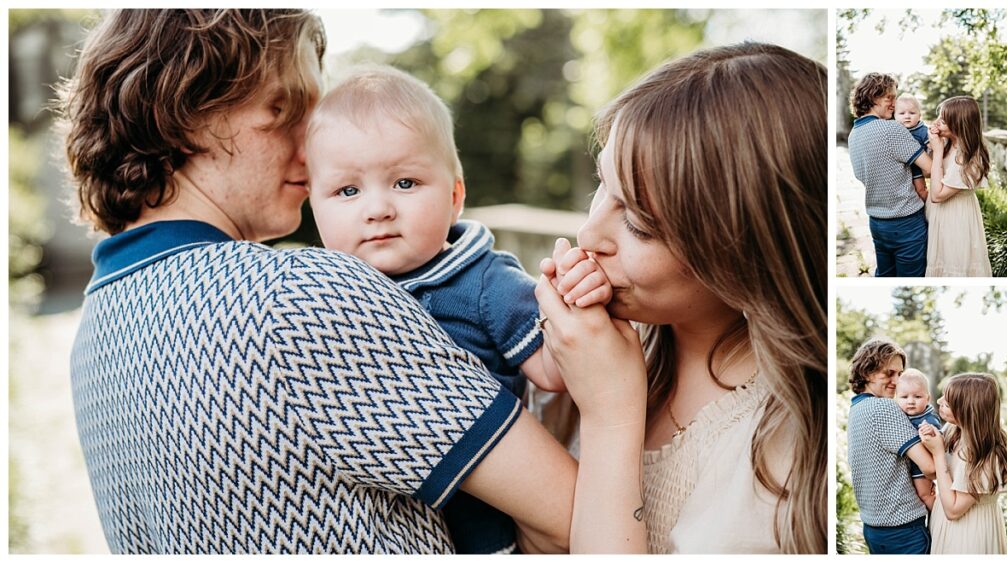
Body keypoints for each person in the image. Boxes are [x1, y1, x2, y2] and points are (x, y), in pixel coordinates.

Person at [59, 9, 595, 554]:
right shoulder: (297, 296)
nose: (311, 148)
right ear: (184, 111)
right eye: (284, 108)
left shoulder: (94, 332)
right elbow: (578, 522)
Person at [532, 42, 828, 553]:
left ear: (747, 251)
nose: (589, 235)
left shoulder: (780, 462)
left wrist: (610, 416)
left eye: (639, 225)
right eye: (602, 188)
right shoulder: (599, 340)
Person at [304, 64, 609, 554]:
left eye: (405, 183)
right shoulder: (314, 295)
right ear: (314, 208)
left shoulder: (483, 280)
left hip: (485, 528)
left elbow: (552, 372)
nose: (378, 208)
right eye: (348, 191)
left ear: (454, 196)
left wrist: (573, 298)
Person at [845, 337, 936, 554]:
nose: (896, 381)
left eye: (900, 374)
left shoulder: (856, 410)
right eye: (889, 373)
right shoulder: (885, 409)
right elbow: (930, 467)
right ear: (867, 372)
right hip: (903, 530)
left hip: (873, 529)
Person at [847, 73, 934, 277]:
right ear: (873, 96)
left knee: (885, 275)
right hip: (906, 222)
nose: (894, 104)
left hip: (877, 222)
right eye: (890, 98)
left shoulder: (854, 135)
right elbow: (929, 169)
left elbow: (862, 175)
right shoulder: (891, 130)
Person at [919, 373, 1007, 554]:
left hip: (969, 532)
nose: (938, 401)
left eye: (947, 403)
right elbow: (938, 473)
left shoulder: (986, 454)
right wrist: (932, 441)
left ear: (968, 411)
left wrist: (938, 453)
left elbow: (954, 511)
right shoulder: (953, 429)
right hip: (944, 524)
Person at [924, 96, 993, 277]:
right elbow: (929, 172)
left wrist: (937, 151)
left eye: (944, 121)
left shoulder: (970, 158)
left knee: (954, 262)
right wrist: (934, 146)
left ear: (959, 124)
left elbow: (937, 195)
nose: (937, 123)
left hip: (956, 217)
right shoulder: (948, 143)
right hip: (939, 214)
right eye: (939, 117)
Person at [894, 369, 943, 510]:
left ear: (927, 398)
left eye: (917, 397)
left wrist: (932, 432)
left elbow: (940, 441)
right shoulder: (898, 414)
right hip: (909, 465)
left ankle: (939, 519)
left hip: (921, 466)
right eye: (904, 397)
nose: (910, 401)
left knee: (924, 495)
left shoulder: (927, 419)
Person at [894, 94, 930, 202]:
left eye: (912, 113)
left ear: (919, 115)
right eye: (902, 113)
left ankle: (927, 208)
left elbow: (931, 144)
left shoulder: (922, 130)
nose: (907, 116)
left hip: (917, 169)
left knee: (921, 190)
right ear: (895, 115)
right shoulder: (895, 130)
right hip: (901, 170)